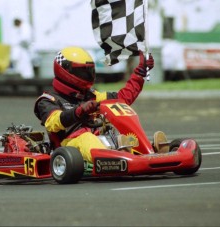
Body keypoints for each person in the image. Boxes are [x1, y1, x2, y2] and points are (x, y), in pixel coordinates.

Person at [34, 47, 168, 163]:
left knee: (118, 132)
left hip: (100, 137)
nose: (87, 75)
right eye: (82, 72)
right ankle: (118, 157)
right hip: (70, 144)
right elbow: (53, 122)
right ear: (66, 72)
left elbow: (122, 98)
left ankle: (146, 151)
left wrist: (140, 72)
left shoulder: (91, 95)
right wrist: (79, 111)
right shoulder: (48, 100)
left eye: (89, 71)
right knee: (86, 138)